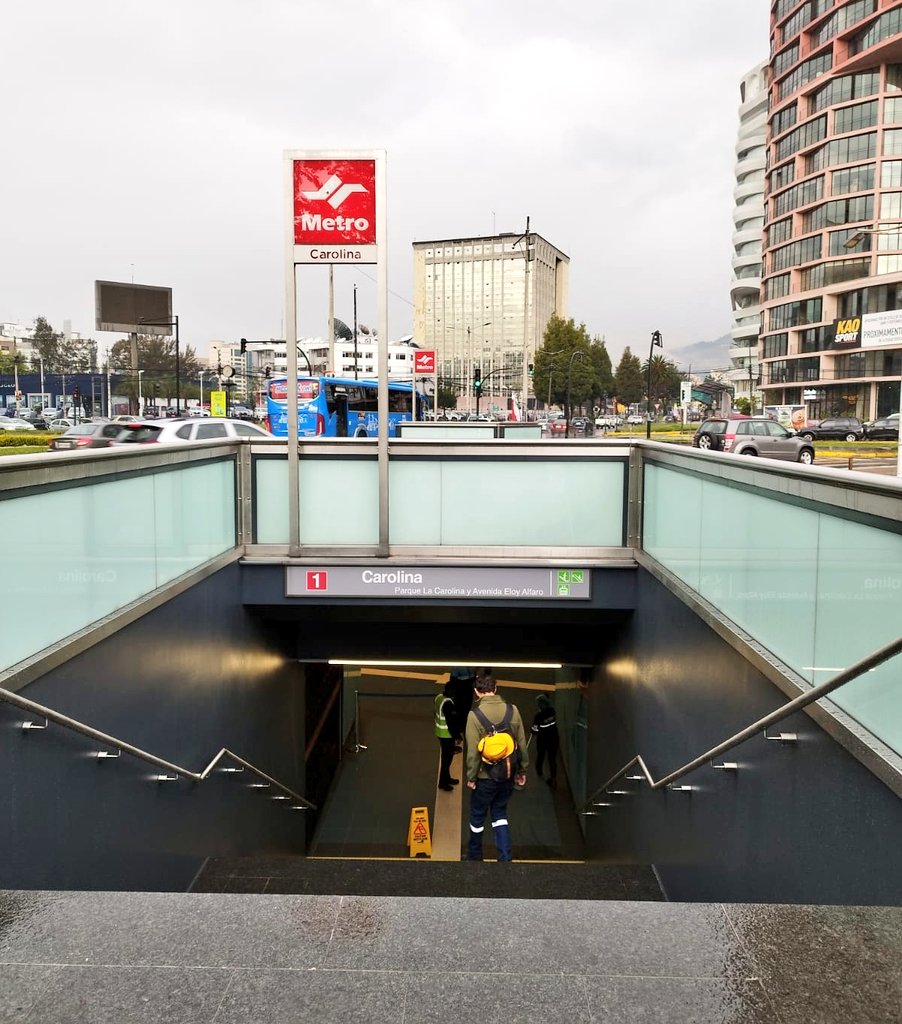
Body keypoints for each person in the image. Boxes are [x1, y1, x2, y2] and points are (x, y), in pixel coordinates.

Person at [465, 671, 528, 862]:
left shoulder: (474, 716)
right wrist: (522, 770)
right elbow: (521, 744)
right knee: (500, 814)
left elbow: (473, 753)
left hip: (485, 778)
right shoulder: (513, 710)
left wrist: (472, 777)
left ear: (477, 692)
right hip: (507, 774)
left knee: (477, 816)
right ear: (496, 689)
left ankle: (475, 857)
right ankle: (505, 857)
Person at [434, 682, 459, 792]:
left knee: (446, 758)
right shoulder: (448, 703)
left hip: (440, 732)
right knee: (447, 760)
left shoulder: (439, 697)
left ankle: (446, 778)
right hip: (447, 735)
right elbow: (451, 722)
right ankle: (443, 783)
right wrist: (457, 736)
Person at [531, 693, 560, 788]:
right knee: (552, 759)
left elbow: (535, 730)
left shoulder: (538, 716)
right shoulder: (552, 711)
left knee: (541, 755)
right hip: (554, 738)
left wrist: (532, 730)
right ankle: (554, 779)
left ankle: (539, 771)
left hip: (543, 740)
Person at [448, 668, 476, 749]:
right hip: (467, 690)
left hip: (460, 690)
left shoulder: (458, 666)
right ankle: (463, 728)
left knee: (458, 712)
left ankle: (458, 733)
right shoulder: (471, 666)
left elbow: (452, 679)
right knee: (465, 711)